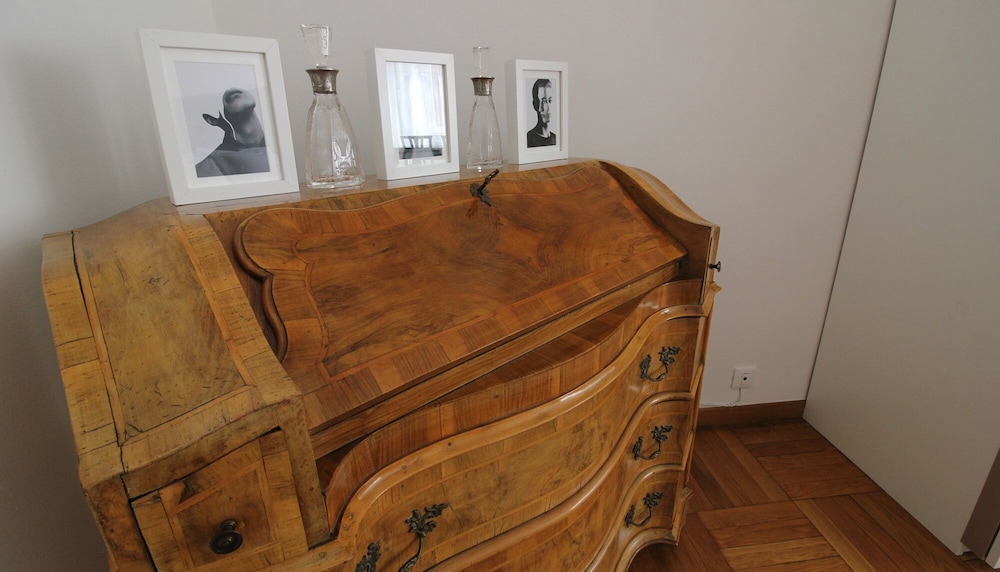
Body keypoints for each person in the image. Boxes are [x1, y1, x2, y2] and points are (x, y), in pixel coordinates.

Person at [526, 78, 556, 148]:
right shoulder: (529, 139)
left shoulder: (555, 138)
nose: (548, 108)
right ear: (535, 105)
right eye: (544, 101)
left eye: (550, 100)